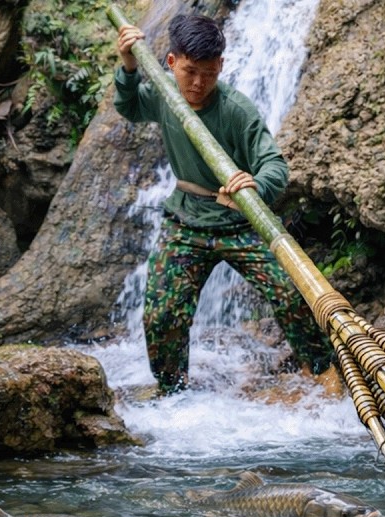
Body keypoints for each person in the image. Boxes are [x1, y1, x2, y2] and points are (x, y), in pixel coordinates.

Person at [114, 14, 331, 395]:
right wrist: (129, 65)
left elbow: (274, 165)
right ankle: (172, 393)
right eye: (190, 71)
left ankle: (322, 374)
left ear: (222, 67)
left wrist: (256, 183)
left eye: (209, 74)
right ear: (170, 62)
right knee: (163, 314)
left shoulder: (236, 109)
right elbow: (130, 107)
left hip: (241, 222)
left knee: (291, 295)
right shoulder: (165, 96)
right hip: (185, 221)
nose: (198, 83)